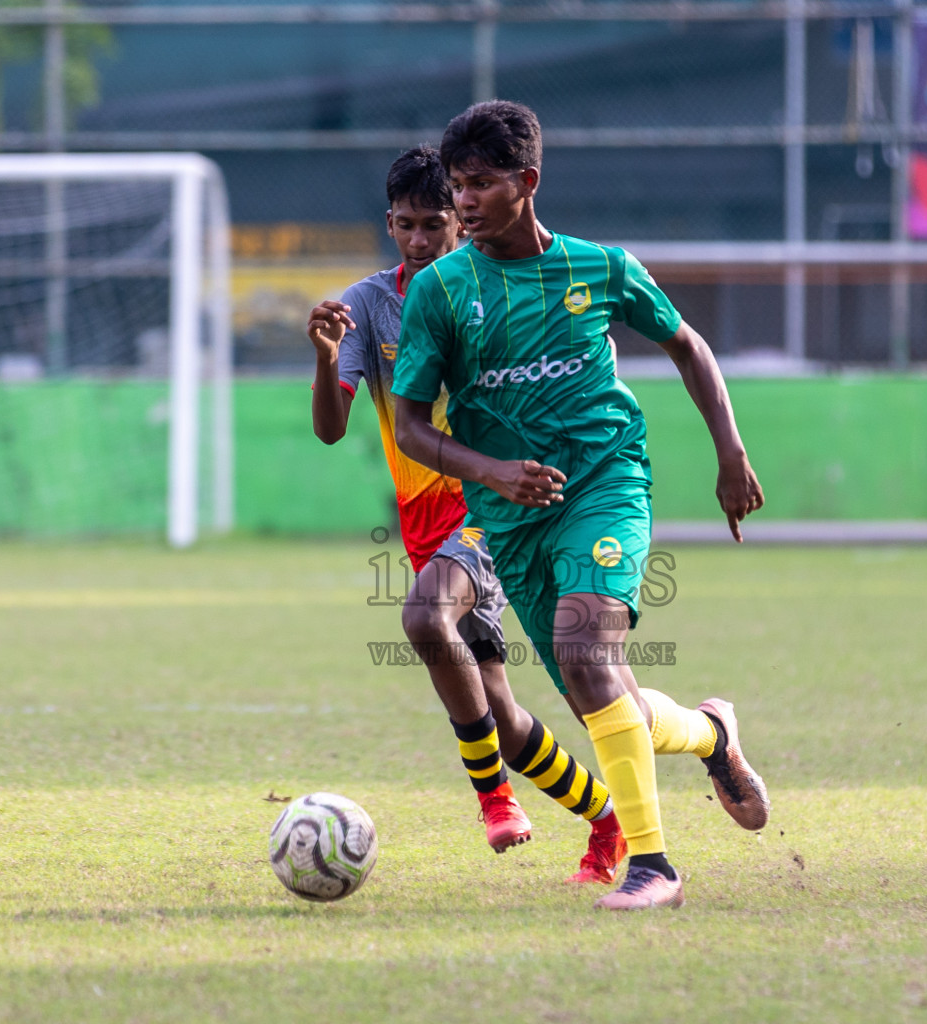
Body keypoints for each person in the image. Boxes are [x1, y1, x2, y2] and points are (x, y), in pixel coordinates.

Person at [391, 101, 770, 911]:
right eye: (458, 185)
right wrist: (490, 473)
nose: (463, 202)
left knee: (583, 651)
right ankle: (712, 733)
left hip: (604, 481)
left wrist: (730, 451)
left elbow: (686, 344)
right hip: (511, 519)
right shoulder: (441, 292)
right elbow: (411, 428)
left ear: (527, 183)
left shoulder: (600, 268)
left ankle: (654, 868)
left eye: (481, 184)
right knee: (607, 695)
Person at [306, 146, 626, 884]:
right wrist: (326, 359)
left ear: (462, 221)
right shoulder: (364, 306)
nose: (420, 242)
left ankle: (495, 802)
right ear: (390, 223)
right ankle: (607, 820)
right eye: (406, 226)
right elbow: (329, 429)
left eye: (435, 225)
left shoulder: (487, 293)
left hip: (491, 509)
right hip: (427, 529)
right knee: (506, 721)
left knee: (422, 619)